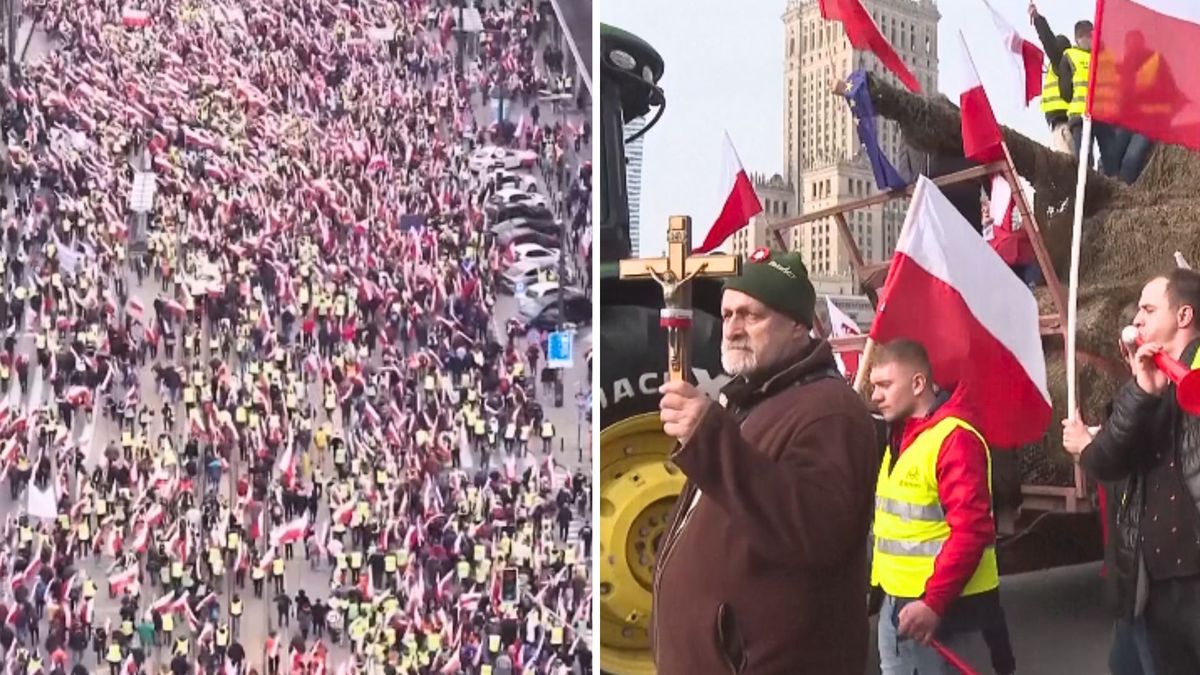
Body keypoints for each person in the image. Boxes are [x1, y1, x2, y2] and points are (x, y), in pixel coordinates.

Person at [652, 250, 879, 674]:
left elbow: (817, 529)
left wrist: (709, 437)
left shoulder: (830, 411)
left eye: (750, 316)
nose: (733, 329)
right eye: (727, 315)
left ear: (797, 326)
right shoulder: (753, 401)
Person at [1061, 269, 1200, 674]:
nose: (1136, 319)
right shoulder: (1145, 378)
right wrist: (1140, 392)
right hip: (1154, 582)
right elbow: (1106, 461)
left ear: (1184, 316)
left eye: (1149, 308)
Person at [868, 339, 1015, 675]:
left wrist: (933, 602)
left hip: (950, 613)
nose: (875, 395)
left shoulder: (953, 439)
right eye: (874, 386)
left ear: (918, 383)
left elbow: (971, 532)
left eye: (885, 385)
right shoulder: (902, 437)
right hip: (903, 607)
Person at [1028, 2, 1073, 153]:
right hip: (1067, 124)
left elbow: (1048, 40)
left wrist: (1037, 19)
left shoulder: (1061, 62)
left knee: (1069, 168)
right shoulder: (1067, 68)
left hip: (1064, 125)